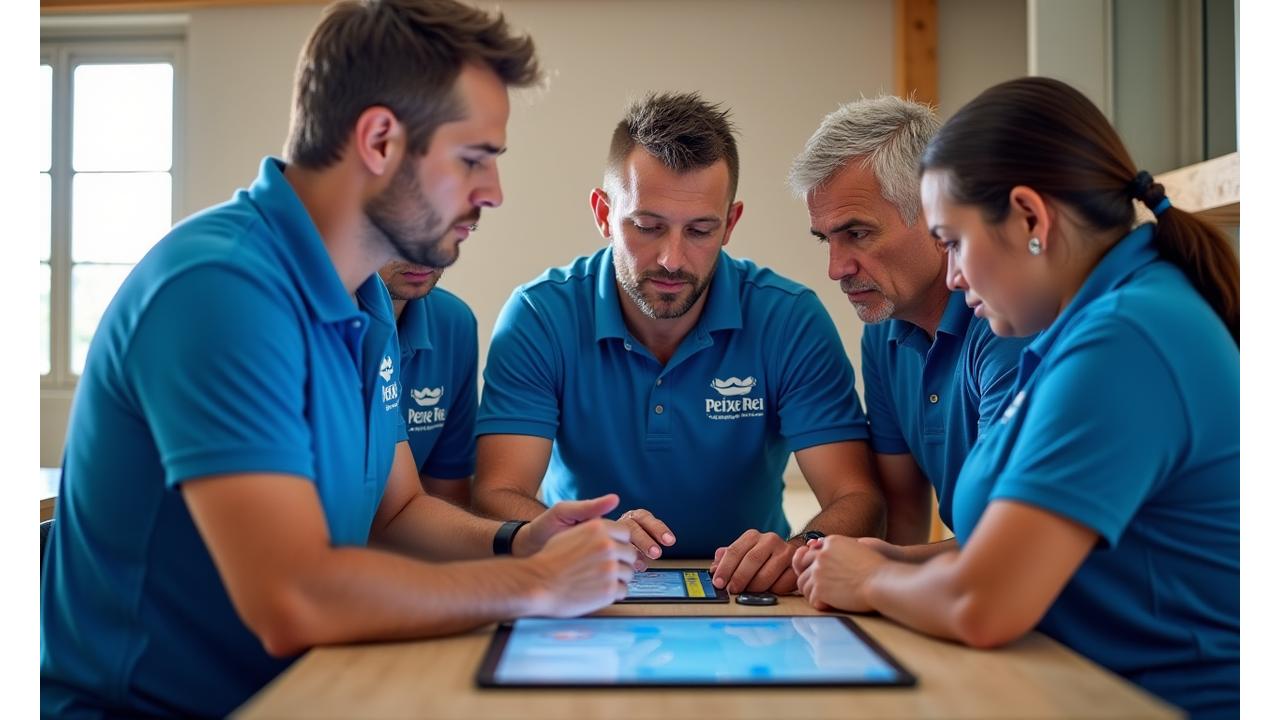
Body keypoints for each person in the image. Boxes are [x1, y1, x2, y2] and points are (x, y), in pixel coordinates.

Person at [40, 2, 636, 717]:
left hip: (300, 692)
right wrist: (537, 585)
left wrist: (518, 541)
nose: (493, 194)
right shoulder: (220, 288)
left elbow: (397, 512)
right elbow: (295, 597)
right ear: (380, 140)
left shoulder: (364, 297)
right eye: (474, 159)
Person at [793, 76, 1239, 719]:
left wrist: (872, 579)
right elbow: (1014, 553)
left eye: (953, 242)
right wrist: (899, 560)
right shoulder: (1081, 329)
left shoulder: (1125, 339)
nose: (951, 274)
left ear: (1031, 218)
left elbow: (985, 602)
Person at [473, 92, 885, 595]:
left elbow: (857, 496)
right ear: (604, 214)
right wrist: (582, 537)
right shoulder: (539, 315)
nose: (672, 258)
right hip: (588, 582)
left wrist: (804, 549)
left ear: (730, 224)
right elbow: (497, 492)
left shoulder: (790, 319)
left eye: (700, 230)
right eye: (647, 227)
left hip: (750, 595)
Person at [788, 97, 1031, 546]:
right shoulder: (883, 330)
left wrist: (871, 573)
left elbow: (1012, 550)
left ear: (935, 214)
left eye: (857, 234)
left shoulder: (1007, 320)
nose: (836, 268)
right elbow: (902, 520)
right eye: (826, 240)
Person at [379, 262, 478, 507]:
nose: (423, 253)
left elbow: (447, 499)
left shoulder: (453, 322)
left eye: (442, 229)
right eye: (402, 228)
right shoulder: (296, 321)